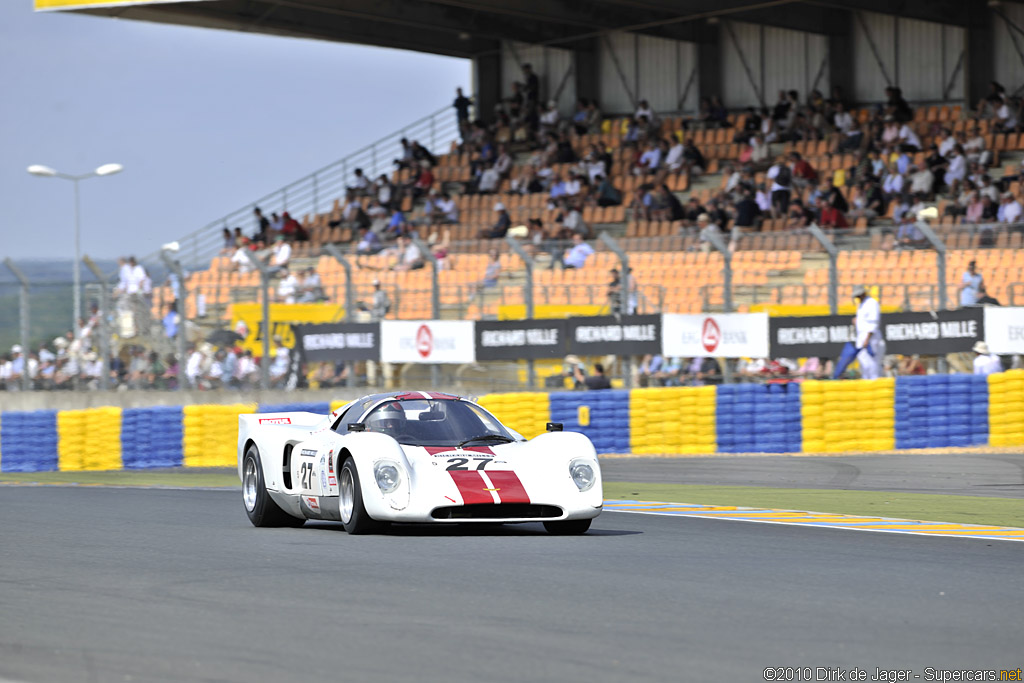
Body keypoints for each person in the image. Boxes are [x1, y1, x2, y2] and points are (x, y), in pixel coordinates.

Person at [853, 285, 883, 380]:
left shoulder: (872, 303)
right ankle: (866, 385)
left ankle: (874, 384)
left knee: (872, 364)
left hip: (870, 339)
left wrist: (867, 339)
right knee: (864, 364)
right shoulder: (862, 305)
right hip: (862, 338)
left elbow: (873, 324)